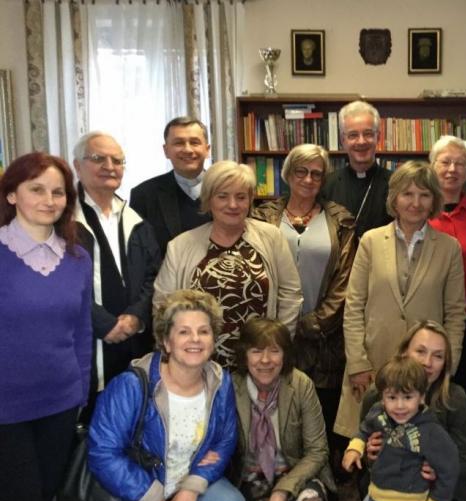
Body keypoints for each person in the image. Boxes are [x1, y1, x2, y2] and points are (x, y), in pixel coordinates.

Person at [88, 289, 248, 501]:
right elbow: (102, 453)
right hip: (134, 500)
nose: (195, 339)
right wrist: (150, 496)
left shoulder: (219, 382)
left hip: (183, 486)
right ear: (166, 341)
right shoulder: (132, 385)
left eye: (203, 331)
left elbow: (223, 441)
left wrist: (191, 489)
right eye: (184, 332)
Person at [0, 152, 93, 501]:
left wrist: (81, 391)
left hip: (60, 403)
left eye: (58, 191)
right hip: (6, 409)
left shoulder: (77, 258)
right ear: (12, 195)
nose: (49, 199)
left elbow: (82, 330)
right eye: (36, 189)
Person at [333, 160, 466, 439]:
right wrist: (357, 362)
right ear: (394, 198)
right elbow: (354, 305)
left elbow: (455, 313)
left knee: (416, 443)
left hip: (425, 370)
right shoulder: (370, 241)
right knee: (370, 442)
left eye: (424, 195)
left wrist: (447, 367)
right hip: (374, 362)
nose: (415, 203)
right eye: (407, 194)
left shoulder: (449, 248)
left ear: (434, 200)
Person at [251, 144, 356, 460]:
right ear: (288, 173)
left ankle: (319, 474)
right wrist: (277, 328)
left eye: (316, 174)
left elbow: (345, 279)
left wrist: (315, 322)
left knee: (320, 414)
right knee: (274, 410)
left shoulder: (340, 220)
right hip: (271, 333)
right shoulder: (261, 217)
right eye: (301, 171)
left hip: (323, 337)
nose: (308, 179)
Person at [153, 160, 302, 368]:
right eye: (222, 196)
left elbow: (291, 294)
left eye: (241, 197)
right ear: (208, 200)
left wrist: (276, 346)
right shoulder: (180, 246)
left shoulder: (272, 237)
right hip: (198, 364)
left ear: (250, 200)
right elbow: (163, 306)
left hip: (260, 363)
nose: (232, 205)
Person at [360, 320, 466, 501]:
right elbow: (363, 439)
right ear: (404, 352)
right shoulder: (378, 394)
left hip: (441, 492)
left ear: (446, 363)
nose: (427, 362)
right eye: (420, 351)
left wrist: (438, 470)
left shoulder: (454, 399)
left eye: (438, 356)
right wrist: (368, 454)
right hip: (390, 484)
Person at [344, 356, 459, 501]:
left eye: (408, 397)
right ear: (382, 397)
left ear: (421, 396)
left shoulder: (430, 431)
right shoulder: (378, 413)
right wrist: (354, 449)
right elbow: (364, 429)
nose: (399, 406)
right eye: (392, 397)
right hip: (376, 494)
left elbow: (451, 466)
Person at [73, 131, 161, 420]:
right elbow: (58, 284)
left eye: (117, 160)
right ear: (77, 166)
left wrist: (136, 316)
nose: (109, 167)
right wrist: (103, 323)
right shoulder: (63, 220)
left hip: (133, 342)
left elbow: (153, 276)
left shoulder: (135, 220)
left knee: (132, 419)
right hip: (84, 346)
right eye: (98, 158)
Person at [229, 317, 336, 501]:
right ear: (244, 355)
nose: (265, 360)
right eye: (256, 351)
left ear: (285, 355)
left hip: (296, 470)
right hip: (252, 479)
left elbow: (317, 451)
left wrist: (281, 491)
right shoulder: (231, 388)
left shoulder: (300, 384)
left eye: (274, 351)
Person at [428, 135, 466, 460]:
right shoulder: (419, 209)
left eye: (460, 163)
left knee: (464, 393)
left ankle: (465, 462)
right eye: (445, 162)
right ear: (432, 166)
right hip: (427, 317)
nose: (452, 169)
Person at [130, 117, 212, 255]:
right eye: (179, 143)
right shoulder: (144, 195)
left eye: (194, 142)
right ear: (166, 150)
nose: (187, 149)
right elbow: (140, 255)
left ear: (207, 149)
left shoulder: (227, 190)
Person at [322, 100, 393, 237]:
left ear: (378, 137)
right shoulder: (326, 185)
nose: (361, 141)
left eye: (368, 134)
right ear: (343, 140)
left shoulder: (396, 184)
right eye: (353, 135)